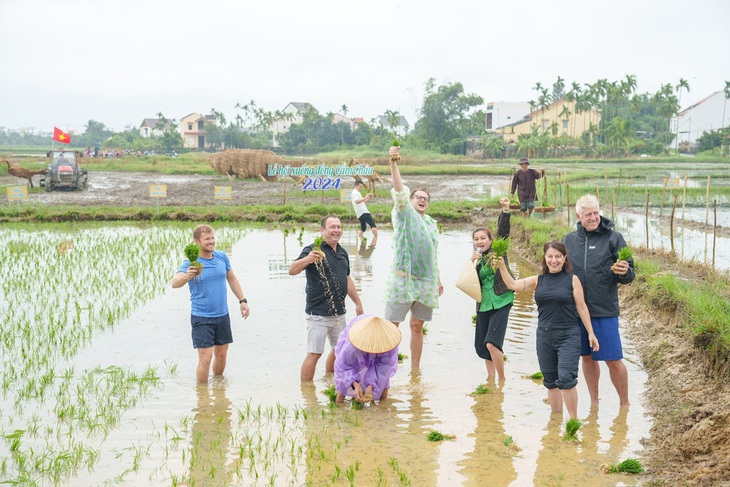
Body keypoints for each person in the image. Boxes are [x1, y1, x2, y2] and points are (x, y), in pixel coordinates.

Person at [494, 241, 599, 419]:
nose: (554, 260)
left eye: (558, 256)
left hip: (569, 334)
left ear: (564, 258)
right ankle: (555, 421)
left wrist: (590, 332)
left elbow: (582, 307)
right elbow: (513, 285)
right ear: (545, 258)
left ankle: (572, 422)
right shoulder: (538, 280)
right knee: (550, 381)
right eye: (550, 256)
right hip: (544, 335)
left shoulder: (572, 279)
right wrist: (502, 267)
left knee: (566, 378)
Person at [563, 194, 635, 407]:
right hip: (576, 311)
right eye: (588, 214)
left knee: (613, 359)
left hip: (604, 311)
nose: (594, 218)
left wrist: (625, 271)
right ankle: (594, 402)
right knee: (587, 358)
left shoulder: (614, 238)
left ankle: (625, 404)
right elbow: (560, 271)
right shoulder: (569, 240)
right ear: (578, 216)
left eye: (596, 213)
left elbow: (630, 274)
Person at [384, 144, 443, 369]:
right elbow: (399, 190)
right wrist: (393, 163)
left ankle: (415, 369)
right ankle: (385, 366)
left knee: (417, 326)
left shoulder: (431, 224)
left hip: (426, 283)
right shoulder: (405, 215)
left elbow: (432, 254)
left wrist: (437, 279)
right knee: (392, 326)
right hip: (402, 280)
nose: (422, 200)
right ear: (410, 201)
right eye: (418, 197)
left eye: (425, 198)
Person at [289, 215, 364, 382]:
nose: (336, 230)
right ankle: (306, 392)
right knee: (314, 353)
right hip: (318, 314)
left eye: (338, 226)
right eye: (332, 227)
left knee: (341, 350)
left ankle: (330, 379)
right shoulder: (314, 249)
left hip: (339, 314)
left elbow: (348, 279)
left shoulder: (343, 252)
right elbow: (292, 270)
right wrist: (308, 259)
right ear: (322, 230)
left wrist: (358, 303)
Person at [172, 224, 250, 384]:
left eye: (213, 238)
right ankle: (202, 396)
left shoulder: (221, 257)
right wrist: (187, 276)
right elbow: (175, 283)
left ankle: (219, 388)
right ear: (197, 241)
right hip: (201, 317)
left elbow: (232, 279)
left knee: (221, 355)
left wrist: (242, 300)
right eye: (207, 239)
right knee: (206, 358)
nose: (211, 242)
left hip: (222, 315)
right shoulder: (191, 263)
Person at [470, 196, 514, 382]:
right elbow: (469, 282)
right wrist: (471, 264)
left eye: (483, 238)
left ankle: (502, 381)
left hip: (501, 300)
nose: (480, 241)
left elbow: (503, 232)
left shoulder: (498, 251)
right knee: (482, 346)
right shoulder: (475, 259)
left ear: (490, 240)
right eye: (476, 239)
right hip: (484, 304)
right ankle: (490, 380)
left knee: (492, 343)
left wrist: (505, 210)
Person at [334, 314, 401, 404]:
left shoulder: (390, 344)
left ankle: (383, 409)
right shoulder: (352, 346)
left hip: (379, 334)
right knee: (343, 384)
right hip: (359, 334)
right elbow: (343, 367)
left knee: (384, 381)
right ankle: (339, 405)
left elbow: (384, 368)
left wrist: (370, 387)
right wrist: (355, 385)